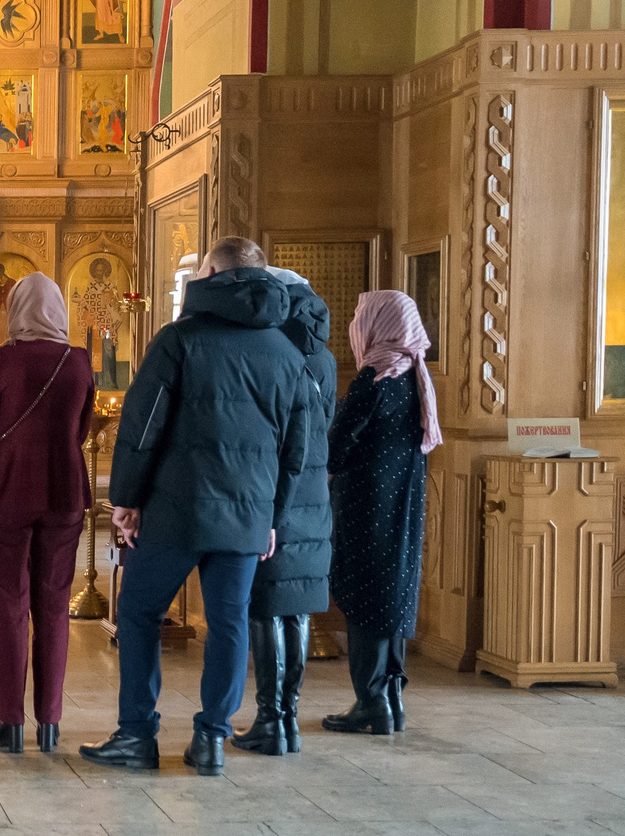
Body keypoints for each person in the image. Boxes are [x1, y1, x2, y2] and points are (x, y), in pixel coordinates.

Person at [81, 237, 310, 779]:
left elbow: (141, 426)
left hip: (175, 510)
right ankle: (211, 739)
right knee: (228, 623)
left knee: (138, 613)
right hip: (247, 515)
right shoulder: (286, 350)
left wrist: (126, 500)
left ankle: (137, 735)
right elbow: (297, 450)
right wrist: (274, 519)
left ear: (210, 274)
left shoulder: (181, 339)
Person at [0, 274, 95, 755]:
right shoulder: (78, 363)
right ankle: (51, 722)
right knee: (53, 605)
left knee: (10, 604)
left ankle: (11, 723)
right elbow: (82, 430)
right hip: (64, 493)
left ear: (16, 309)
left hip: (5, 495)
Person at [324, 290, 440, 737]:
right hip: (402, 507)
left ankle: (371, 702)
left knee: (365, 601)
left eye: (361, 318)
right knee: (391, 597)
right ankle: (390, 700)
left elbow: (338, 442)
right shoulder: (413, 377)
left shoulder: (377, 377)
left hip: (365, 509)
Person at [239, 266, 335, 758]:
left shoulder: (271, 351)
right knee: (295, 606)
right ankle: (289, 717)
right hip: (315, 496)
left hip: (275, 494)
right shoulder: (325, 359)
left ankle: (269, 721)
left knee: (265, 607)